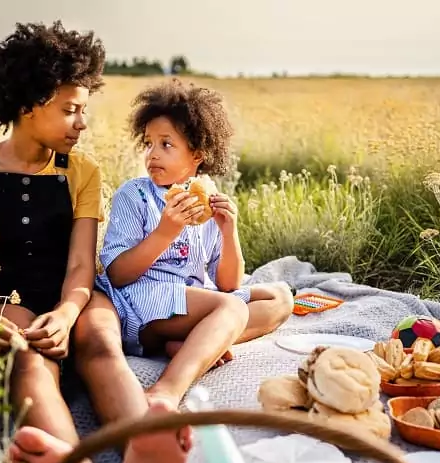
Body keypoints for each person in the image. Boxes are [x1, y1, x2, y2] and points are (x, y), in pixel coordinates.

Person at [0, 21, 181, 463]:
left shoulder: (82, 171)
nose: (82, 123)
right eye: (71, 110)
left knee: (99, 340)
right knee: (30, 359)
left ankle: (151, 460)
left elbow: (80, 266)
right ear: (29, 105)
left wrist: (68, 311)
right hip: (9, 294)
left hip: (73, 291)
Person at [94, 78, 294, 414]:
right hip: (143, 301)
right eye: (148, 144)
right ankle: (167, 390)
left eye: (166, 145)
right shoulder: (136, 195)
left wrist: (229, 232)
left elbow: (229, 284)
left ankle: (193, 342)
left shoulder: (206, 201)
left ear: (197, 155)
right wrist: (164, 232)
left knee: (281, 297)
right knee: (231, 310)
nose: (152, 154)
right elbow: (117, 274)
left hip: (192, 302)